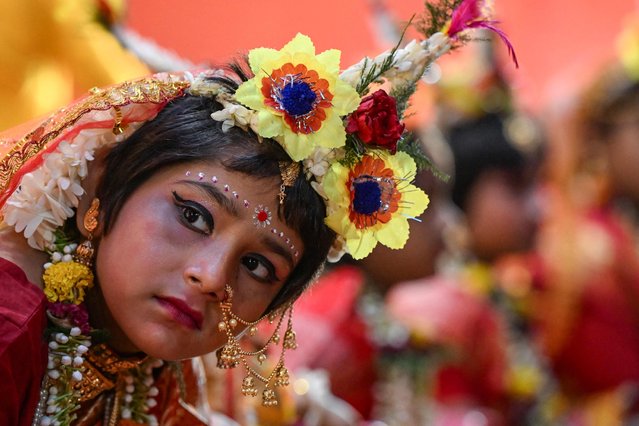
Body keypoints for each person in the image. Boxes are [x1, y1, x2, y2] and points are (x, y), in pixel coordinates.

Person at [0, 0, 512, 423]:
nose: (210, 276)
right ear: (100, 189)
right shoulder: (11, 325)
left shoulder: (155, 372)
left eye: (257, 266)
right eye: (194, 216)